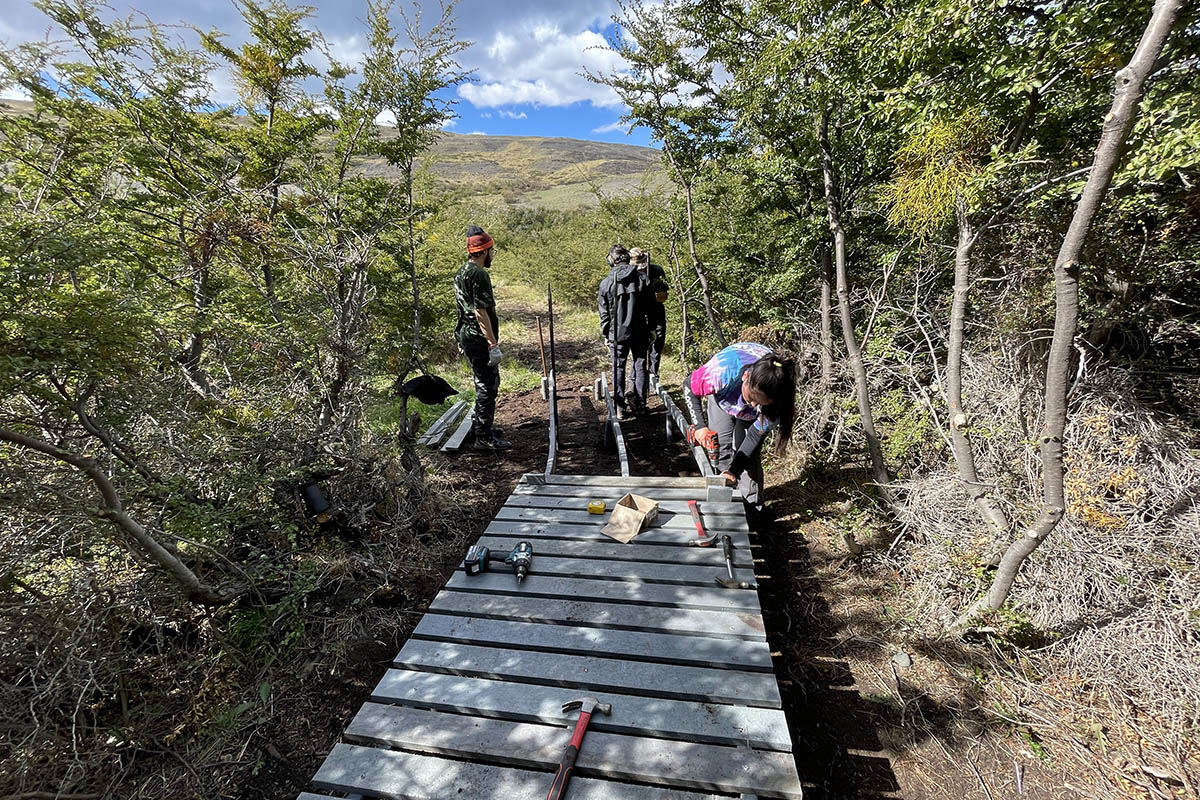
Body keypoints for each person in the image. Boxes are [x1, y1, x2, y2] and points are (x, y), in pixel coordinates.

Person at [685, 342, 795, 512]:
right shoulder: (723, 370)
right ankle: (726, 504)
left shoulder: (779, 399)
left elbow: (753, 436)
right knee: (721, 449)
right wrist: (699, 426)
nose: (752, 404)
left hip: (753, 412)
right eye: (751, 397)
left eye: (759, 402)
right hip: (725, 399)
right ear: (745, 376)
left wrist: (734, 471)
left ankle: (752, 509)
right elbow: (689, 387)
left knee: (749, 460)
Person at [454, 225, 510, 450]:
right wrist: (492, 344)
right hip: (478, 337)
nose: (492, 255)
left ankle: (482, 427)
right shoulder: (479, 274)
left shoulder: (461, 272)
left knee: (483, 382)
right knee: (488, 384)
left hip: (466, 335)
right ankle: (484, 438)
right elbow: (480, 311)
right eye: (491, 250)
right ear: (484, 251)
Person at [597, 243, 652, 418]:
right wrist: (652, 330)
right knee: (640, 365)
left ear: (612, 261)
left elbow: (604, 314)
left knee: (618, 367)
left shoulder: (606, 283)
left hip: (617, 334)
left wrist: (606, 334)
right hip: (640, 331)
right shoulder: (643, 280)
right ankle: (641, 404)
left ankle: (619, 407)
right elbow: (650, 309)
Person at [629, 247, 668, 392]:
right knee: (638, 354)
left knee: (656, 349)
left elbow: (663, 295)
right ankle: (633, 385)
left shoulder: (656, 271)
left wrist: (647, 298)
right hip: (636, 318)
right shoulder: (629, 273)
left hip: (656, 315)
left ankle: (653, 379)